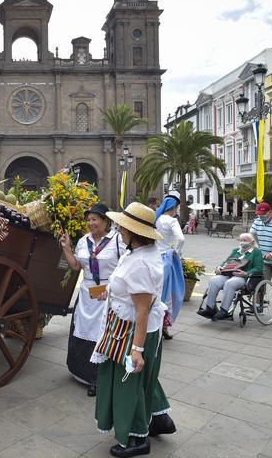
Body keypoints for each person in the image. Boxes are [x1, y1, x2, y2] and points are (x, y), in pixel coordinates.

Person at [93, 202, 176, 458]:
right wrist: (107, 292)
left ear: (133, 232)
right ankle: (160, 419)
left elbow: (142, 309)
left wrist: (136, 350)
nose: (118, 229)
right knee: (143, 377)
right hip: (126, 325)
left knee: (129, 380)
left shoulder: (141, 262)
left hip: (132, 331)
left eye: (122, 226)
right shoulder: (137, 252)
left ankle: (138, 438)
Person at [60, 203, 123, 397]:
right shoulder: (83, 241)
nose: (90, 223)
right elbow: (76, 266)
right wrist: (66, 248)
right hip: (88, 292)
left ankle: (100, 378)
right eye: (88, 219)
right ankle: (82, 373)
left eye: (94, 219)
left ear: (106, 221)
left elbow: (124, 266)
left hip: (109, 293)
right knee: (84, 330)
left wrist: (114, 287)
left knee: (102, 333)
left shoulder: (117, 240)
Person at [197, 233, 264, 320]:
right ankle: (209, 309)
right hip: (228, 274)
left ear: (252, 242)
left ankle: (224, 311)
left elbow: (258, 268)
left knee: (230, 283)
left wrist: (246, 273)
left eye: (245, 240)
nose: (242, 243)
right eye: (241, 240)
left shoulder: (256, 252)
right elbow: (225, 262)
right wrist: (219, 267)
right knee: (213, 280)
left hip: (244, 277)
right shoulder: (236, 250)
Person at [153, 195, 185, 341]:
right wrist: (175, 252)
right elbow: (181, 238)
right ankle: (163, 326)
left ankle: (153, 325)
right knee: (169, 294)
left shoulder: (156, 219)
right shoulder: (172, 221)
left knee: (155, 293)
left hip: (153, 258)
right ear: (174, 208)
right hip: (166, 258)